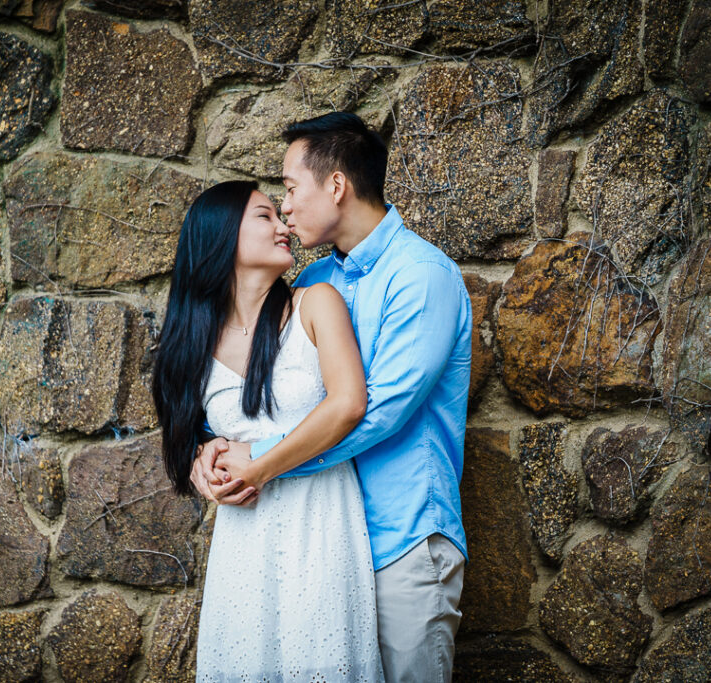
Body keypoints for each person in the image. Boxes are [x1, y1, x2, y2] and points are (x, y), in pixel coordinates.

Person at [192, 112, 472, 683]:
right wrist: (214, 448)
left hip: (403, 540)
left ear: (337, 185)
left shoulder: (421, 277)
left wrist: (261, 463)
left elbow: (374, 414)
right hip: (326, 547)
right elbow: (266, 392)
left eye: (291, 189)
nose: (286, 208)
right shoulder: (319, 284)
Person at [152, 180, 385, 681]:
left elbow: (348, 404)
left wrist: (258, 464)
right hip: (244, 541)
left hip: (321, 523)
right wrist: (201, 462)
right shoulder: (192, 341)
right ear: (220, 237)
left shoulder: (316, 304)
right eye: (264, 216)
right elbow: (192, 435)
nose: (284, 225)